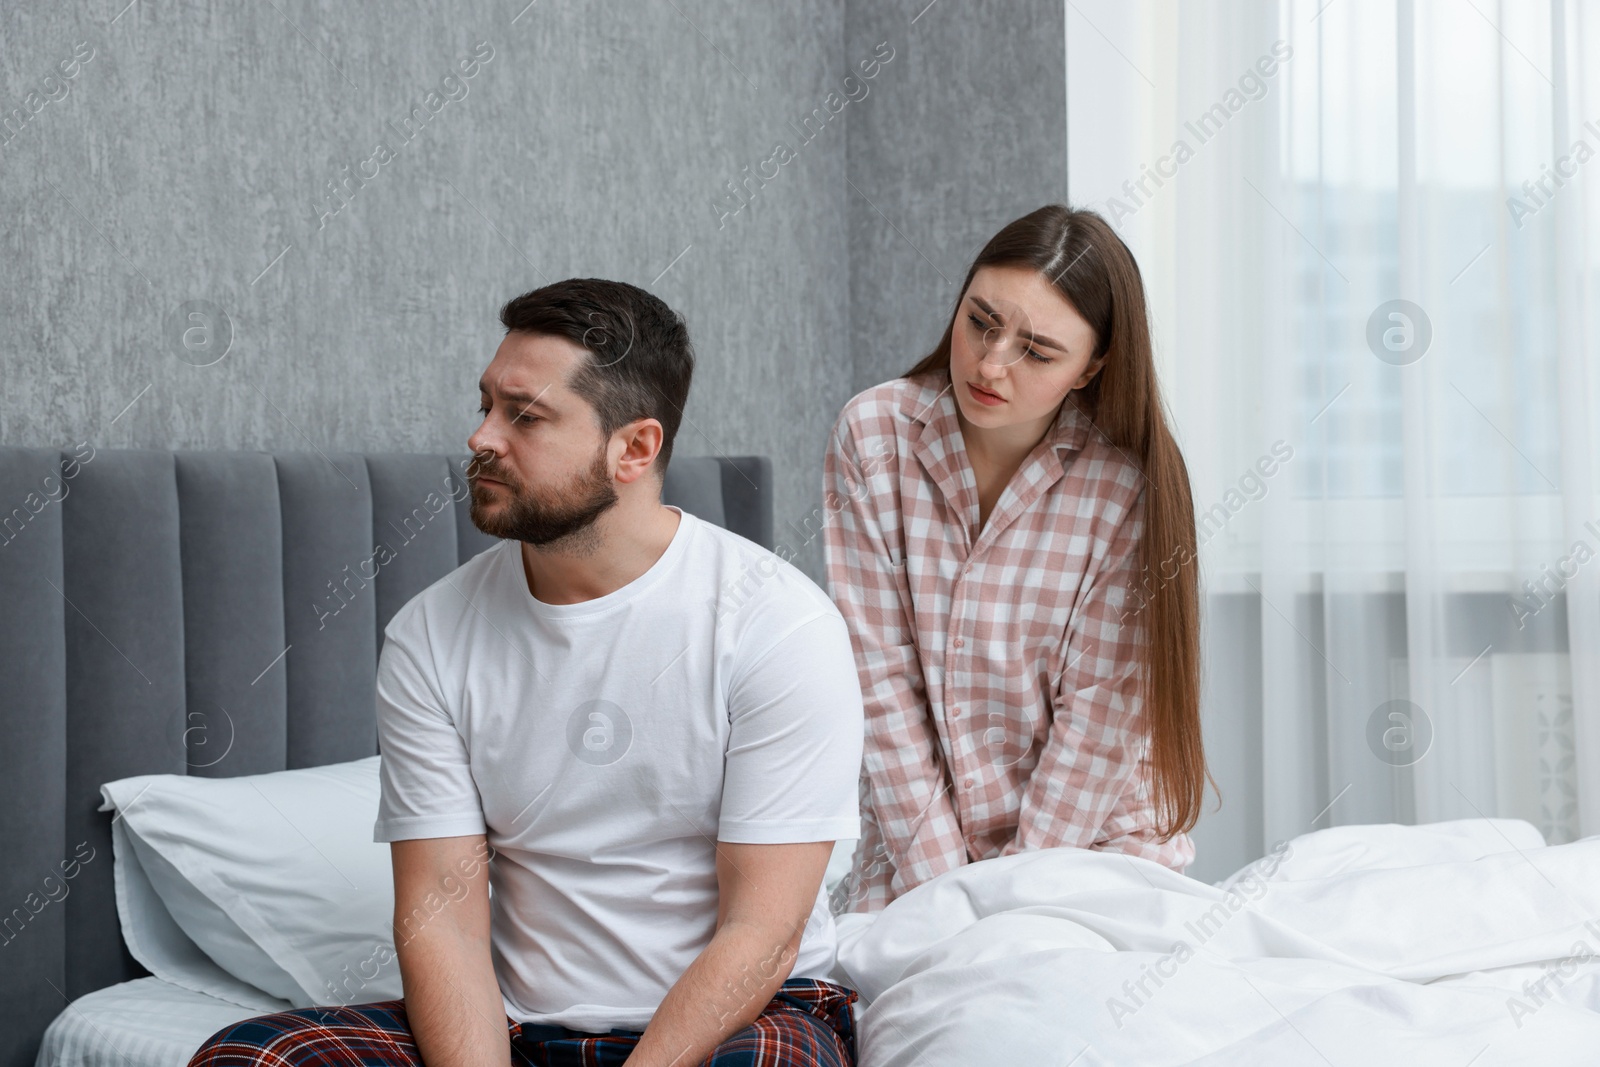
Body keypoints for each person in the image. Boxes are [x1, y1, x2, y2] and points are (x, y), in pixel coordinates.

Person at [188, 278, 865, 1067]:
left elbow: (762, 927)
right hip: (511, 1029)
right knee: (253, 1058)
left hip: (729, 1025)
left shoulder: (776, 624)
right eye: (485, 406)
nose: (481, 437)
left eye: (525, 416)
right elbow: (443, 917)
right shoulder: (431, 635)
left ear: (634, 448)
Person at [823, 205, 1213, 914]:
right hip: (919, 855)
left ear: (1092, 366)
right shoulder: (872, 433)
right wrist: (946, 894)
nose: (990, 363)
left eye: (1036, 352)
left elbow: (1099, 720)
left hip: (1091, 847)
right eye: (979, 322)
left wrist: (1008, 912)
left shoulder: (1127, 486)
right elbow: (880, 683)